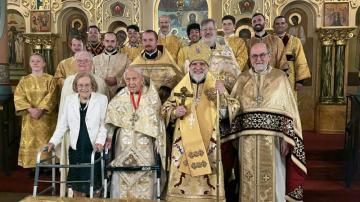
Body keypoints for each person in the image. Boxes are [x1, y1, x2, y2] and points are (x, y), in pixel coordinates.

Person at [223, 42, 307, 201]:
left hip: (273, 141)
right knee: (247, 179)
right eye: (254, 56)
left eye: (262, 55)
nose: (258, 59)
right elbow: (233, 109)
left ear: (269, 56)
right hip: (246, 141)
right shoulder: (242, 78)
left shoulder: (280, 77)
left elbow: (289, 110)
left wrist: (287, 138)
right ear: (249, 58)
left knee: (274, 181)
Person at [162, 44, 234, 202]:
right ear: (189, 66)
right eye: (194, 64)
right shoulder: (181, 86)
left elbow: (230, 110)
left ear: (207, 66)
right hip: (183, 142)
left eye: (202, 64)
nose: (198, 67)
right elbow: (165, 109)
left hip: (209, 142)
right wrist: (174, 113)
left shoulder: (216, 85)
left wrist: (222, 95)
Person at [104, 67, 166, 199]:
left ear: (142, 80)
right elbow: (110, 119)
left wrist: (159, 141)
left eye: (134, 79)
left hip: (145, 144)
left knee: (145, 175)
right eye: (128, 79)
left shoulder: (152, 97)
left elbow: (159, 122)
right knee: (123, 177)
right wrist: (109, 137)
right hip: (123, 144)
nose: (131, 82)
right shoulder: (120, 97)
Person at [47, 72, 108, 197]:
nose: (84, 88)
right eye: (80, 85)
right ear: (75, 86)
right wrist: (53, 141)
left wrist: (100, 142)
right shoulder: (70, 100)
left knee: (94, 184)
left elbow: (104, 124)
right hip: (76, 147)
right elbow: (62, 124)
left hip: (93, 146)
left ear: (92, 86)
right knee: (76, 183)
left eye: (87, 85)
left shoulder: (101, 99)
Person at [14, 53, 57, 174]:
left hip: (46, 118)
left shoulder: (51, 79)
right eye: (33, 61)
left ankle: (48, 165)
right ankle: (33, 166)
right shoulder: (24, 80)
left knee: (47, 139)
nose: (36, 63)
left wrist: (41, 109)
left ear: (44, 63)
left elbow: (52, 96)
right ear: (29, 64)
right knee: (31, 140)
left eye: (38, 61)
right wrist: (30, 109)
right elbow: (19, 96)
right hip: (30, 117)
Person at [130, 30, 183, 103]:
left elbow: (177, 78)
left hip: (163, 101)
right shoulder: (135, 64)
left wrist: (167, 88)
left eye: (151, 40)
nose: (147, 43)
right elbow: (126, 82)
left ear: (157, 41)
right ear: (142, 42)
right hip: (142, 102)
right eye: (145, 40)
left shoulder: (167, 61)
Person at [273, 16, 311, 99]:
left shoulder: (295, 41)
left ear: (286, 25)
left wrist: (300, 81)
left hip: (290, 78)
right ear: (274, 26)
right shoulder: (269, 41)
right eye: (277, 24)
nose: (280, 25)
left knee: (289, 102)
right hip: (273, 78)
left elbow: (300, 60)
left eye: (282, 23)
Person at [198, 19, 241, 92]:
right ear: (200, 32)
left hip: (221, 93)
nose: (208, 32)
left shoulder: (226, 52)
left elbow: (236, 78)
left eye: (211, 29)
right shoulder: (193, 51)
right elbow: (186, 76)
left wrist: (221, 82)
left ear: (215, 31)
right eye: (205, 29)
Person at [93, 32, 130, 98]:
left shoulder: (125, 59)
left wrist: (117, 80)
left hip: (118, 96)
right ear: (103, 42)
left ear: (116, 43)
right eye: (107, 41)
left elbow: (131, 77)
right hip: (98, 96)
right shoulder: (95, 59)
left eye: (112, 41)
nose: (110, 44)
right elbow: (90, 77)